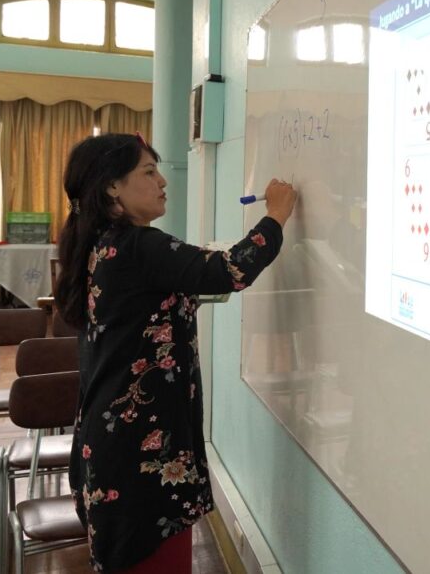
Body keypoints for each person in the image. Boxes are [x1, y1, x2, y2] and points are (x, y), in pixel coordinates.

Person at [54, 133, 296, 573]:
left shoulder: (103, 244)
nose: (163, 182)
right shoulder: (137, 244)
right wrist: (276, 215)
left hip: (116, 443)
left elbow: (152, 308)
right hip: (138, 454)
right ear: (112, 186)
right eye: (149, 172)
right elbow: (229, 270)